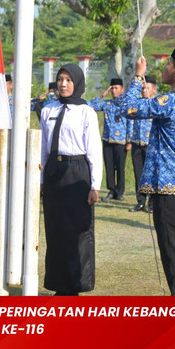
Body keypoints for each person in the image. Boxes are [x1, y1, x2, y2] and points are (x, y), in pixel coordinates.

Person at [120, 40, 175, 296]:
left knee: (174, 258)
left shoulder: (170, 100)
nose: (165, 67)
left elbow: (127, 107)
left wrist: (138, 76)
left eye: (169, 63)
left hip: (172, 193)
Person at [40, 64, 102, 296]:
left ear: (77, 83)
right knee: (55, 230)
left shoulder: (87, 112)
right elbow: (43, 150)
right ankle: (59, 284)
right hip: (54, 171)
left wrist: (95, 185)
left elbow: (94, 150)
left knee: (77, 231)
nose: (63, 84)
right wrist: (41, 179)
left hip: (77, 171)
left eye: (68, 80)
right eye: (60, 79)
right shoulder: (48, 110)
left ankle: (76, 284)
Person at [89, 78, 127, 201]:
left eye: (117, 88)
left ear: (122, 90)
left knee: (120, 167)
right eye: (112, 88)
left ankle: (120, 191)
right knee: (109, 167)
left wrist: (130, 141)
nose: (114, 91)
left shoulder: (125, 104)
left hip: (121, 141)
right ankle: (111, 190)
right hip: (107, 139)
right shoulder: (106, 103)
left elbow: (131, 122)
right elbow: (90, 106)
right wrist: (102, 95)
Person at [126, 75, 156, 212]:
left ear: (154, 89)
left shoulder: (156, 104)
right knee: (139, 172)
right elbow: (131, 122)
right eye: (142, 88)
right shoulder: (137, 104)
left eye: (147, 88)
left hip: (151, 145)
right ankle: (140, 201)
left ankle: (151, 203)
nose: (144, 91)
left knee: (151, 174)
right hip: (137, 143)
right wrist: (130, 140)